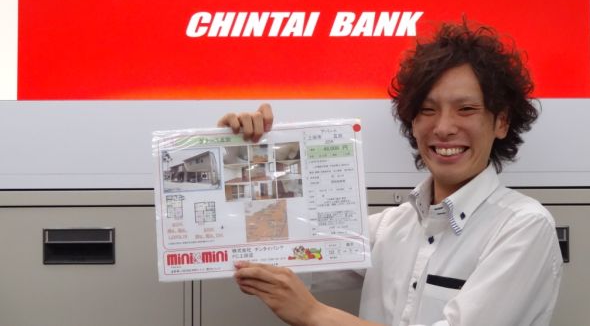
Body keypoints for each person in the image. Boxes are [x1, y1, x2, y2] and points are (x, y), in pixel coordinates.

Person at [218, 22, 563, 326]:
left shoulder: (523, 227)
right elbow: (275, 259)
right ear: (412, 122)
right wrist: (246, 158)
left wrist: (313, 314)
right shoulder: (389, 228)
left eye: (466, 109)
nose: (443, 127)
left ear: (501, 121)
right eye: (427, 109)